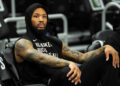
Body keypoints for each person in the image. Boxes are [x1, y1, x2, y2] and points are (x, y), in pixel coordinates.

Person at [14, 3, 120, 86]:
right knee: (65, 70)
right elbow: (40, 58)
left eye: (44, 17)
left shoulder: (54, 41)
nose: (41, 20)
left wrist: (104, 48)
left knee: (107, 57)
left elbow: (82, 57)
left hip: (70, 78)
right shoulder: (22, 43)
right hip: (49, 82)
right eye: (36, 16)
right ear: (28, 20)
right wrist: (68, 63)